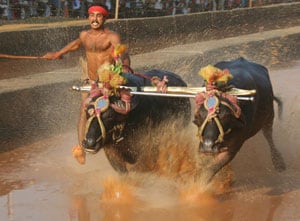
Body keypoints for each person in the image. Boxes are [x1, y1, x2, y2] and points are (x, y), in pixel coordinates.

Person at [42, 3, 131, 164]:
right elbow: (76, 44)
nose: (95, 19)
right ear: (88, 17)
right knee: (84, 111)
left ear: (104, 18)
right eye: (92, 15)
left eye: (98, 16)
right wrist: (58, 53)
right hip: (90, 82)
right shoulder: (84, 35)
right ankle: (82, 149)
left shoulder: (112, 37)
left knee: (111, 112)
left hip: (107, 82)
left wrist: (124, 67)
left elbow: (122, 53)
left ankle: (121, 145)